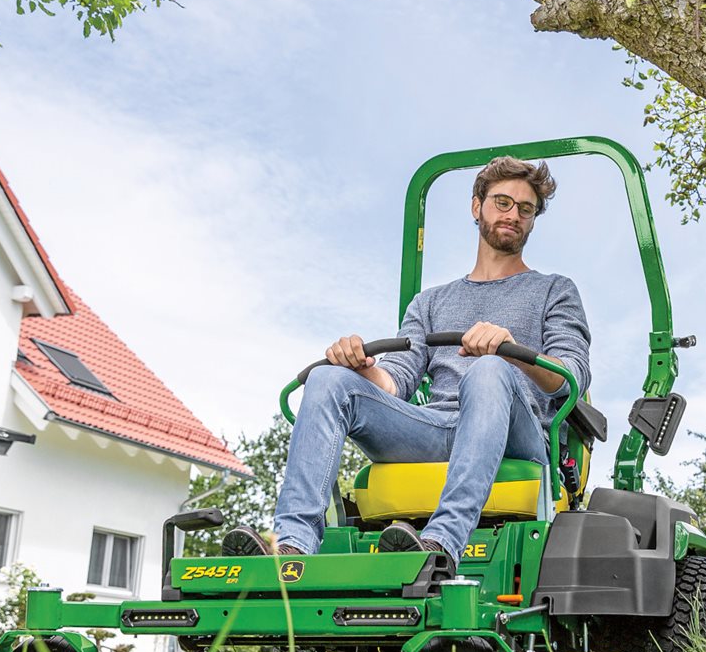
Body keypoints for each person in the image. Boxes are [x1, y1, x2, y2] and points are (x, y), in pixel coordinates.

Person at [222, 157, 591, 563]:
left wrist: (511, 351)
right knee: (329, 378)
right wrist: (364, 371)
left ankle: (443, 542)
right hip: (434, 429)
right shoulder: (431, 301)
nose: (513, 214)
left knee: (489, 369)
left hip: (514, 438)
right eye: (502, 202)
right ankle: (293, 543)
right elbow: (397, 380)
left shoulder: (554, 290)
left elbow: (570, 375)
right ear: (476, 206)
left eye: (526, 208)